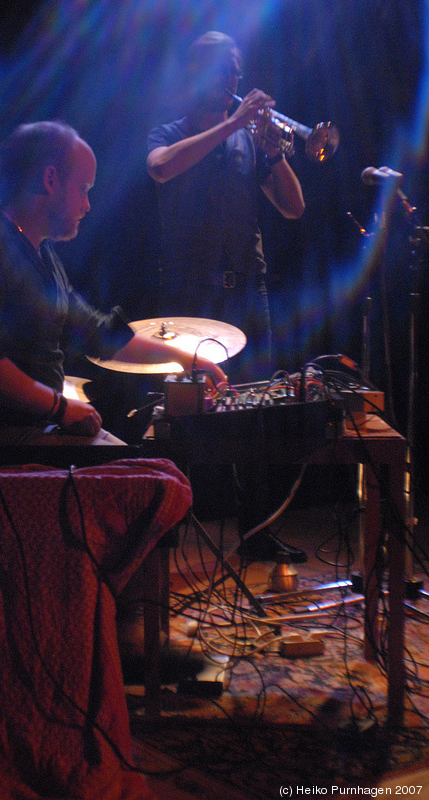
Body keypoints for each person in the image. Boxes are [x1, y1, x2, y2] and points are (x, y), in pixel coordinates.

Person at [0, 120, 226, 462]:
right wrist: (60, 408)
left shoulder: (41, 252)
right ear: (50, 179)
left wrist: (188, 357)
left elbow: (99, 335)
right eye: (83, 188)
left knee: (152, 468)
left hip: (30, 432)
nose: (87, 205)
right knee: (144, 480)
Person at [147, 31, 307, 562]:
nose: (233, 82)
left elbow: (294, 207)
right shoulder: (170, 130)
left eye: (237, 72)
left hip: (247, 293)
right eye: (223, 71)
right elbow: (162, 166)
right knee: (183, 414)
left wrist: (274, 152)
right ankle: (162, 537)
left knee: (256, 410)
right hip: (190, 296)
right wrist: (233, 124)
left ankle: (257, 533)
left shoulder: (247, 139)